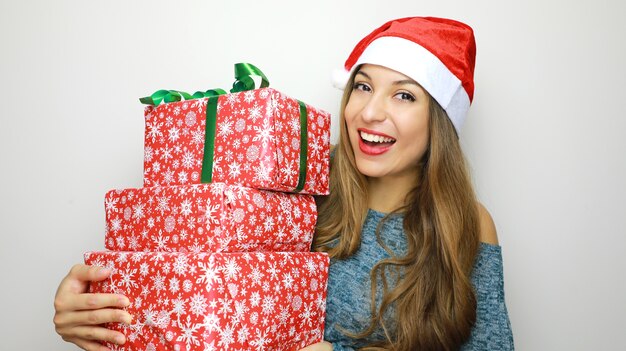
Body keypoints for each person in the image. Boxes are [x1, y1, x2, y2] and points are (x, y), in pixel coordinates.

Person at [54, 16, 513, 351]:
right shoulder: (289, 189)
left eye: (404, 95)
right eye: (363, 86)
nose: (370, 113)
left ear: (441, 121)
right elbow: (194, 284)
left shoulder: (467, 224)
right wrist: (100, 307)